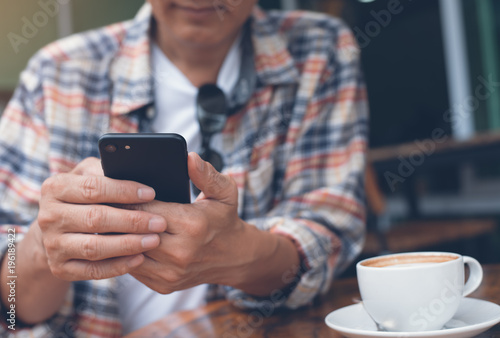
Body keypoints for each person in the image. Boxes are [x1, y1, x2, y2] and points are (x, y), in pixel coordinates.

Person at [0, 0, 368, 336]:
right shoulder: (58, 72)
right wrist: (38, 249)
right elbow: (12, 307)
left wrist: (241, 255)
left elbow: (328, 229)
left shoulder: (320, 49)